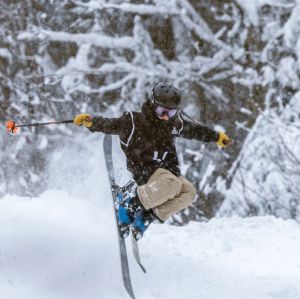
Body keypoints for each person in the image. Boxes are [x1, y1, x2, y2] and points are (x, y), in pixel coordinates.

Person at [74, 82, 230, 240]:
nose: (165, 117)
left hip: (167, 173)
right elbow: (113, 124)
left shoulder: (173, 124)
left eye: (171, 113)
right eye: (161, 111)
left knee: (189, 191)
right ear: (153, 104)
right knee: (173, 184)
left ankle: (146, 216)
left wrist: (216, 137)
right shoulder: (135, 121)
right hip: (146, 171)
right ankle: (129, 203)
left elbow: (195, 130)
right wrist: (92, 122)